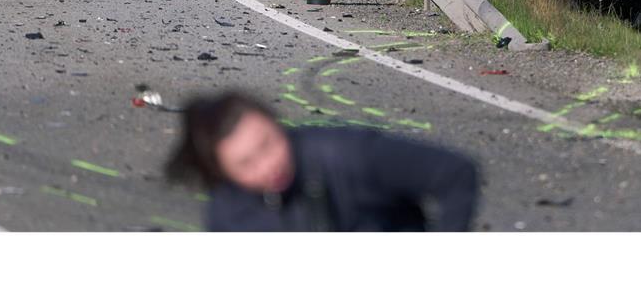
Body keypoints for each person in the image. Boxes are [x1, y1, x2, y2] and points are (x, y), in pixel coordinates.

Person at [165, 91, 479, 231]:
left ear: (278, 124)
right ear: (224, 173)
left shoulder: (346, 153)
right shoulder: (227, 216)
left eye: (268, 144)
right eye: (246, 164)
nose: (268, 166)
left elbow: (455, 173)